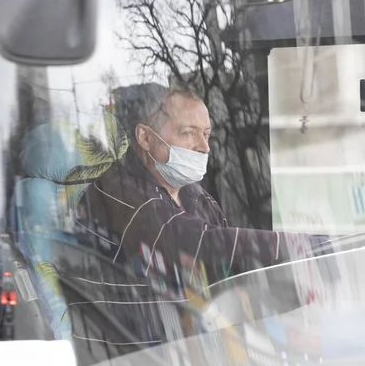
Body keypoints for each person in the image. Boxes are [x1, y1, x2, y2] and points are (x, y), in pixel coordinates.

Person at [75, 85, 323, 290]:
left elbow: (231, 273)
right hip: (136, 345)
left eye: (206, 134)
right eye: (188, 133)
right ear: (145, 138)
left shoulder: (195, 196)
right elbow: (195, 240)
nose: (204, 147)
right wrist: (294, 247)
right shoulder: (118, 189)